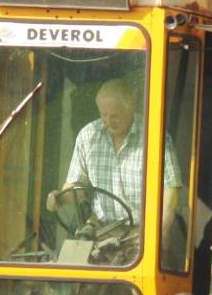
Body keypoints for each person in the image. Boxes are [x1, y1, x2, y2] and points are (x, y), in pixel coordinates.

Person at [46, 77, 182, 232]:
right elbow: (77, 186)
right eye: (103, 114)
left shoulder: (155, 137)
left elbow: (170, 195)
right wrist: (59, 198)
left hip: (142, 235)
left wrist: (157, 236)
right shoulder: (88, 136)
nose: (108, 122)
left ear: (131, 108)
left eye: (115, 116)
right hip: (100, 230)